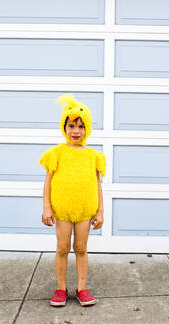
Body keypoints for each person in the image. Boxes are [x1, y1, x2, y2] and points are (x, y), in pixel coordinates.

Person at [39, 94, 106, 307]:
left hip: (85, 210)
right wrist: (47, 207)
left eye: (81, 126)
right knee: (62, 247)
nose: (76, 131)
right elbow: (48, 181)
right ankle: (61, 287)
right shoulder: (57, 153)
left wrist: (100, 211)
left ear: (87, 129)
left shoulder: (93, 156)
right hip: (63, 210)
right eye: (71, 126)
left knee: (81, 248)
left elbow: (97, 184)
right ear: (64, 127)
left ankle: (82, 288)